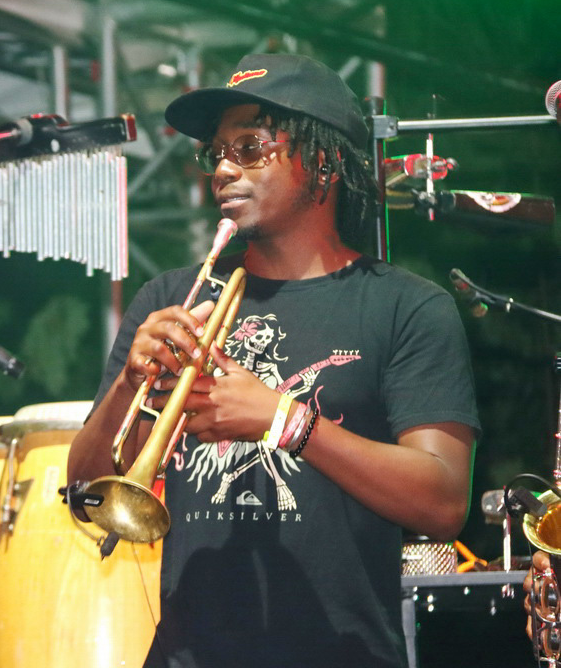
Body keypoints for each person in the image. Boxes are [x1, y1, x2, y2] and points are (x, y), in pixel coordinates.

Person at [67, 53, 478, 668]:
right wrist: (130, 384)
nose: (224, 169)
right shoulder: (171, 299)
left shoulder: (408, 308)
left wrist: (286, 422)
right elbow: (83, 492)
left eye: (251, 147)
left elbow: (443, 502)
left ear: (324, 159)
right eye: (217, 153)